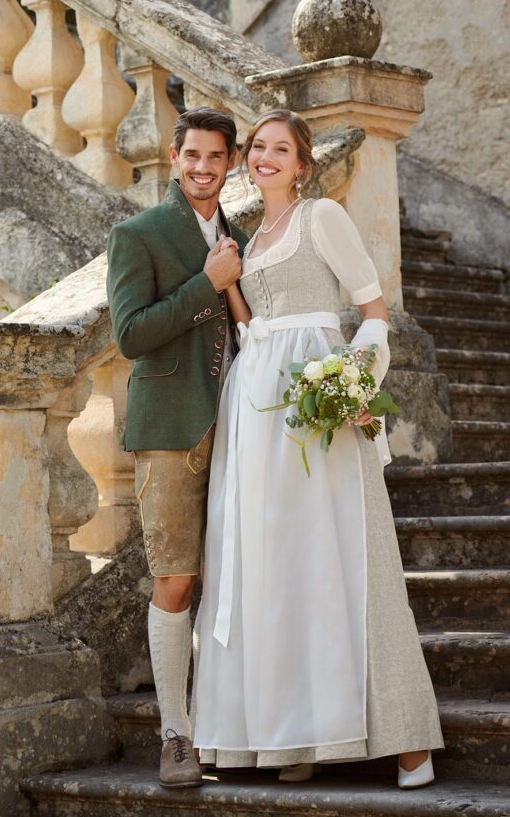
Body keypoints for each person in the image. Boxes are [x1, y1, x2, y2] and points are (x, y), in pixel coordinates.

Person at [191, 108, 444, 789]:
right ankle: (289, 737)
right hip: (255, 410)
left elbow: (373, 312)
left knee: (349, 558)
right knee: (273, 569)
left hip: (317, 405)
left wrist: (351, 384)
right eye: (258, 148)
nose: (266, 158)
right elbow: (253, 325)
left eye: (281, 149)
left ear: (302, 163)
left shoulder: (321, 218)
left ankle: (408, 738)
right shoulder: (247, 235)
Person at [107, 106, 249, 788]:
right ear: (173, 157)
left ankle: (242, 733)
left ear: (231, 164)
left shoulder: (241, 235)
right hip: (169, 431)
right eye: (191, 156)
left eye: (215, 158)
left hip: (241, 431)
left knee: (237, 585)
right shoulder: (138, 234)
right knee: (175, 579)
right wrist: (207, 285)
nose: (202, 168)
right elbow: (130, 335)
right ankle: (176, 735)